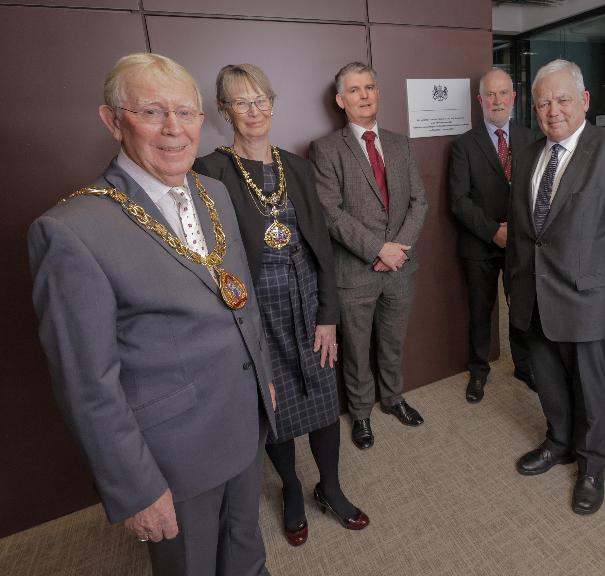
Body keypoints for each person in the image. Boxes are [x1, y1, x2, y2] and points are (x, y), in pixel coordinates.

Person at [28, 53, 276, 575]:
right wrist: (135, 487)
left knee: (246, 547)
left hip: (243, 417)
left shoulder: (216, 194)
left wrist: (265, 381)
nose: (174, 130)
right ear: (113, 120)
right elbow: (85, 383)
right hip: (174, 454)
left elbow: (242, 296)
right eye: (152, 112)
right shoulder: (72, 230)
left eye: (186, 113)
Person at [194, 63, 368, 547]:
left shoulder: (297, 165)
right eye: (242, 101)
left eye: (261, 99)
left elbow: (322, 249)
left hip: (307, 299)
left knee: (322, 398)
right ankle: (292, 488)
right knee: (276, 406)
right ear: (225, 109)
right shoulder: (211, 170)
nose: (255, 110)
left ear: (273, 103)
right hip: (255, 309)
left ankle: (330, 487)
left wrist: (328, 315)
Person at [505, 59, 605, 515]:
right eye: (543, 102)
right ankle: (560, 441)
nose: (553, 110)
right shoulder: (528, 153)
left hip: (589, 296)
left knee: (591, 388)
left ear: (584, 100)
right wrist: (513, 289)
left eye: (563, 99)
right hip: (534, 293)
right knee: (546, 378)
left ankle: (592, 465)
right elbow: (525, 229)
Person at [309, 62, 428, 450]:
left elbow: (418, 202)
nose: (364, 95)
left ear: (378, 93)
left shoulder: (400, 143)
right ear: (342, 100)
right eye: (355, 90)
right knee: (357, 351)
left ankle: (393, 398)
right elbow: (330, 212)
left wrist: (397, 252)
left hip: (400, 270)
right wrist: (378, 249)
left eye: (370, 87)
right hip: (355, 273)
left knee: (393, 342)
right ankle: (361, 413)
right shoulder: (325, 150)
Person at [449, 67, 535, 403]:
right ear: (480, 100)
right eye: (490, 94)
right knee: (481, 312)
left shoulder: (531, 138)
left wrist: (516, 231)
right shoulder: (463, 145)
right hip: (480, 245)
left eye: (503, 93)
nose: (497, 100)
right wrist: (493, 231)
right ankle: (479, 372)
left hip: (522, 243)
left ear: (514, 97)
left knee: (521, 308)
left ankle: (524, 366)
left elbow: (538, 191)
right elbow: (458, 200)